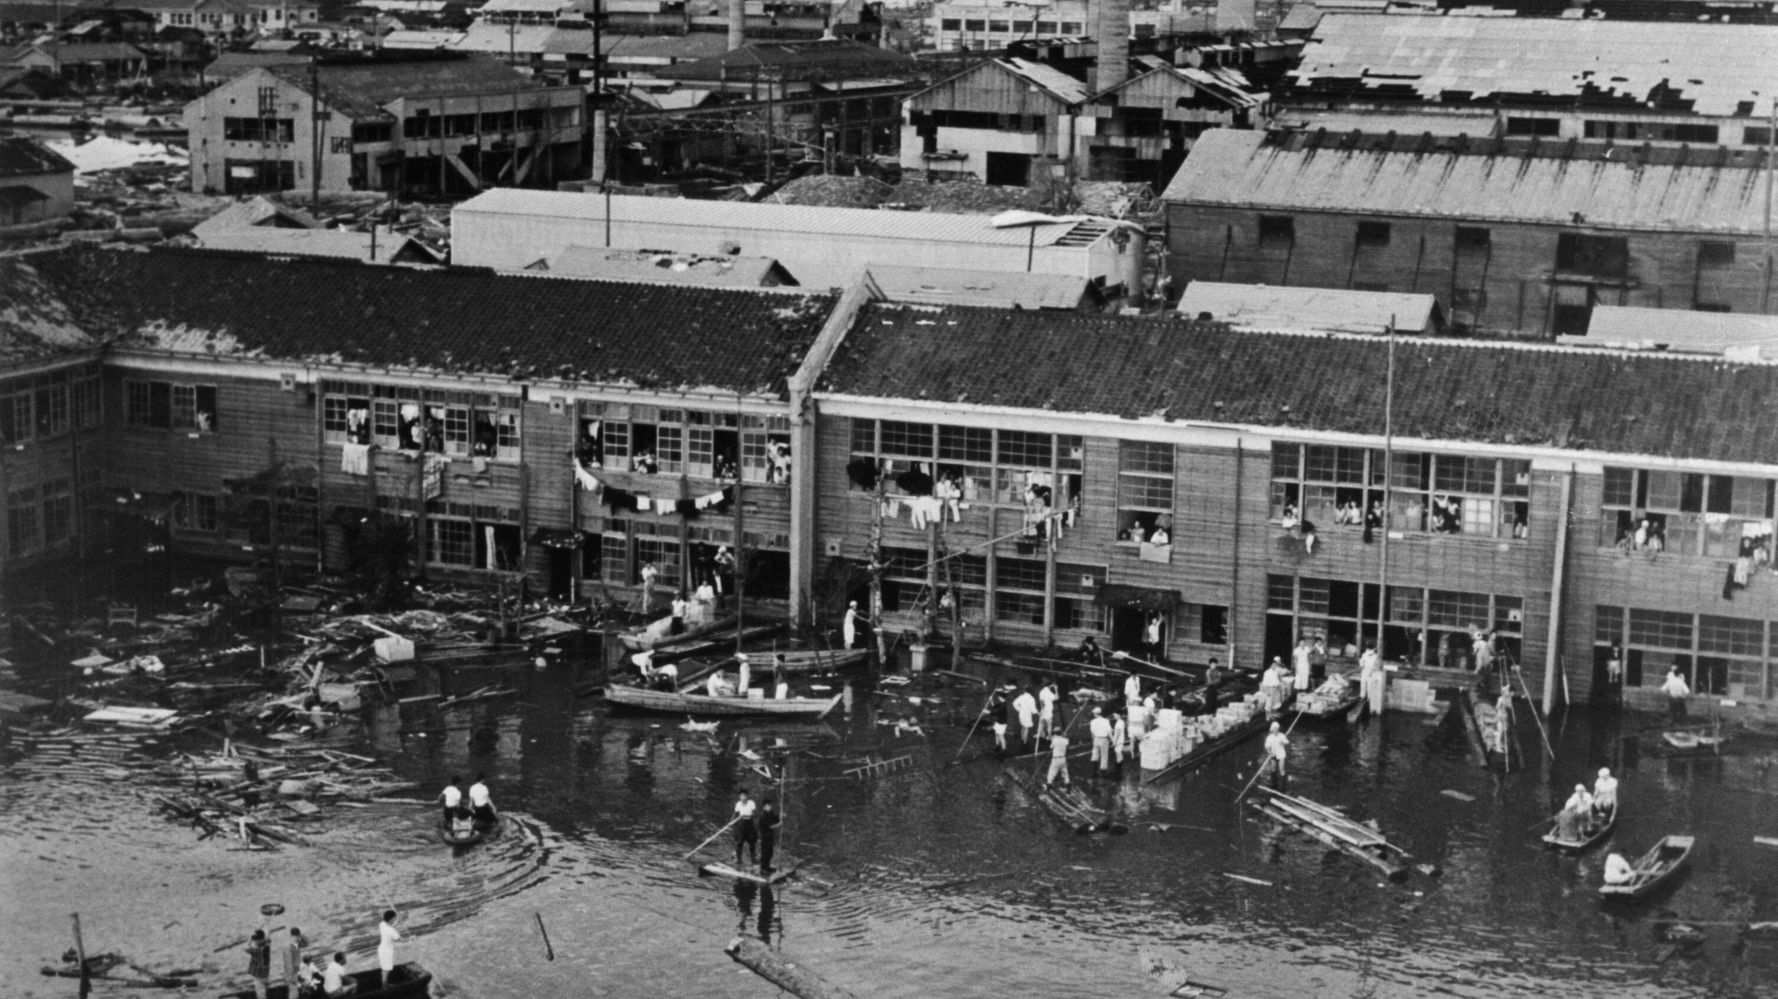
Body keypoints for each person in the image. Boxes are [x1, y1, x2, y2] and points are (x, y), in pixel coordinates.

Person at [376, 910, 401, 989]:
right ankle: (384, 987)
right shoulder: (392, 931)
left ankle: (385, 984)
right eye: (394, 919)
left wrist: (397, 922)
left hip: (381, 949)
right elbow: (399, 939)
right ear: (390, 919)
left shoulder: (382, 924)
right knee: (386, 970)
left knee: (385, 969)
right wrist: (411, 938)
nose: (395, 920)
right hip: (387, 952)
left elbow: (390, 926)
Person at [756, 799, 783, 872]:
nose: (769, 807)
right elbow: (770, 826)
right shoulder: (762, 816)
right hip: (764, 836)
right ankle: (763, 868)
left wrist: (781, 816)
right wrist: (779, 825)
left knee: (770, 852)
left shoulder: (771, 813)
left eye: (769, 806)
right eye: (767, 806)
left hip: (770, 836)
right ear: (764, 807)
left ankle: (767, 866)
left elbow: (777, 819)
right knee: (765, 852)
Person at [734, 790, 759, 866]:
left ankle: (753, 860)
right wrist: (731, 821)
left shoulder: (751, 803)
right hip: (741, 825)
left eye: (744, 796)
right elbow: (735, 814)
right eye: (741, 796)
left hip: (750, 824)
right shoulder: (738, 804)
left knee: (752, 843)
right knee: (739, 842)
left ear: (747, 796)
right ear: (739, 797)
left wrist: (749, 816)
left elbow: (755, 813)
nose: (743, 797)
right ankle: (739, 860)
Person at [1359, 644, 1385, 716]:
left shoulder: (1373, 656)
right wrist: (1362, 666)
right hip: (1367, 671)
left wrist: (1373, 670)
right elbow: (1362, 663)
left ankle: (1366, 697)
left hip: (1369, 672)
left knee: (1367, 684)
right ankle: (1365, 697)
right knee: (1365, 684)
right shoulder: (1367, 655)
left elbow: (1376, 665)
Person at [283, 928, 309, 997]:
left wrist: (301, 935)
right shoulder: (288, 947)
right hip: (291, 972)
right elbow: (289, 963)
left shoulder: (296, 943)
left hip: (296, 970)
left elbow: (307, 943)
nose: (296, 939)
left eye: (297, 937)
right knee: (293, 993)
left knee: (295, 992)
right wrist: (291, 977)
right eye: (295, 937)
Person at [246, 929, 271, 999]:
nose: (255, 941)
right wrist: (267, 923)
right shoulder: (267, 945)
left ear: (258, 940)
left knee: (260, 993)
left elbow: (246, 949)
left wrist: (249, 941)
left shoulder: (255, 950)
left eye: (256, 940)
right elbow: (268, 937)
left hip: (259, 975)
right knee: (264, 988)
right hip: (266, 973)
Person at [1088, 707, 1113, 774]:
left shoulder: (1092, 721)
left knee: (1094, 754)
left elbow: (1092, 733)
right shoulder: (1106, 721)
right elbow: (1109, 731)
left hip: (1096, 739)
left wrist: (1094, 741)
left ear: (1095, 714)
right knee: (1104, 755)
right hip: (1104, 739)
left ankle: (1094, 772)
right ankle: (1103, 772)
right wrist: (1113, 740)